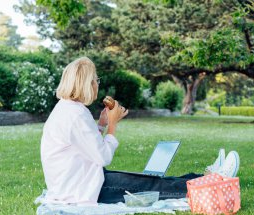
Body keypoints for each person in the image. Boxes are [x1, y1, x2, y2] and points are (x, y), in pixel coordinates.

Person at [40, 57, 239, 205]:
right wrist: (112, 125)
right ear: (86, 83)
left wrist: (100, 125)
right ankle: (215, 184)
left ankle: (210, 177)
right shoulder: (74, 114)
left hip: (84, 182)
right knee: (154, 186)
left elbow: (85, 146)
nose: (97, 84)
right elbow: (102, 156)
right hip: (85, 190)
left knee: (153, 181)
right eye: (95, 80)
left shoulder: (68, 109)